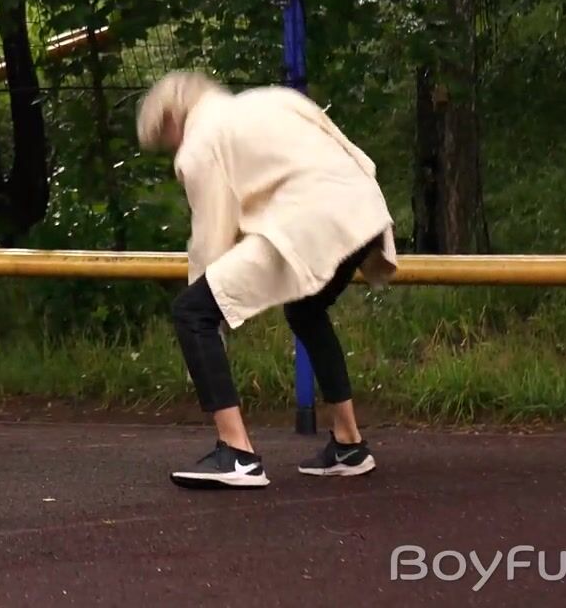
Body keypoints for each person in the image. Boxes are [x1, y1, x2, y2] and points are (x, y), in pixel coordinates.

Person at [135, 70, 398, 490]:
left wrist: (210, 322)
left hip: (311, 220)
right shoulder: (273, 100)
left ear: (171, 118)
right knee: (306, 311)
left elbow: (211, 237)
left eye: (165, 138)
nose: (172, 148)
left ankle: (236, 453)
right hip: (364, 212)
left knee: (191, 311)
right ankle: (349, 444)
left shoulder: (201, 140)